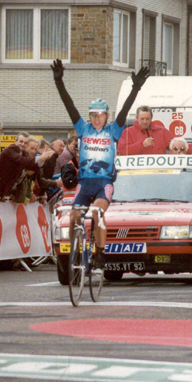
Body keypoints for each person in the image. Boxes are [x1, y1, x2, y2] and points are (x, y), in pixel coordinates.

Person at [51, 58, 149, 270]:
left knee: (96, 213)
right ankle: (74, 253)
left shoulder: (113, 130)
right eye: (93, 115)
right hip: (84, 183)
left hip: (104, 183)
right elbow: (69, 106)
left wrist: (135, 88)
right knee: (74, 216)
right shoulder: (82, 129)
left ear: (106, 116)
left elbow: (125, 110)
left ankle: (100, 254)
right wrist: (59, 82)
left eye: (101, 115)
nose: (97, 119)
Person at [0, 132, 39, 200]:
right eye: (21, 141)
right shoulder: (10, 149)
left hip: (5, 192)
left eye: (25, 143)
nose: (23, 144)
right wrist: (41, 158)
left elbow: (31, 168)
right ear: (16, 141)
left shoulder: (25, 154)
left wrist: (44, 160)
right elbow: (21, 160)